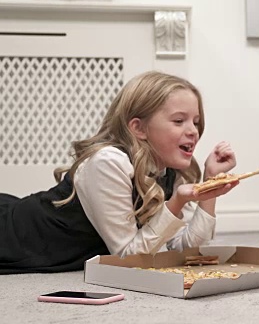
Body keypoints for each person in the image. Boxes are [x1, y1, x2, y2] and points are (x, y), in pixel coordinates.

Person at [0, 71, 240, 274]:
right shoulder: (108, 162)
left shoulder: (169, 170)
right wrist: (176, 203)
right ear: (138, 128)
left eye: (196, 122)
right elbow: (128, 259)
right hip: (13, 237)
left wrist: (210, 187)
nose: (194, 132)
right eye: (179, 121)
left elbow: (183, 252)